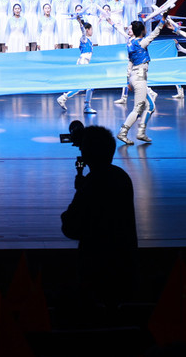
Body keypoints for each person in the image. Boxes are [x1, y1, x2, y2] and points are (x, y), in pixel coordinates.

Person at [59, 125, 138, 303]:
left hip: (96, 269)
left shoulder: (93, 183)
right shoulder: (121, 176)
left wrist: (76, 198)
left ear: (87, 153)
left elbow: (71, 227)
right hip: (123, 264)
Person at [108, 0, 184, 145]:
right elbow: (155, 33)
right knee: (138, 108)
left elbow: (129, 63)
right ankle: (123, 132)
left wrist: (127, 80)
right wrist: (163, 20)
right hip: (140, 78)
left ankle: (141, 132)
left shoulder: (130, 43)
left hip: (134, 77)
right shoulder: (141, 43)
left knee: (150, 106)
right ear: (141, 31)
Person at [57, 19, 97, 114]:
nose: (92, 31)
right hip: (82, 62)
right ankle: (85, 106)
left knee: (84, 86)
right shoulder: (84, 39)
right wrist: (80, 24)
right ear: (87, 30)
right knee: (88, 85)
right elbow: (83, 32)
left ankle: (64, 98)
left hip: (85, 63)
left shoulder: (89, 41)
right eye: (91, 29)